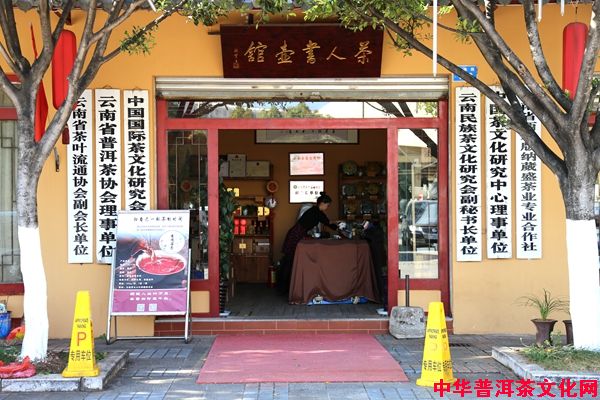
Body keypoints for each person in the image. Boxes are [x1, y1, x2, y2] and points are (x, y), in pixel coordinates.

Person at [277, 192, 338, 294]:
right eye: (327, 205)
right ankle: (283, 288)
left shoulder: (315, 211)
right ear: (322, 203)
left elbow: (328, 222)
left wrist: (336, 225)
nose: (327, 207)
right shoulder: (317, 212)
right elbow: (328, 223)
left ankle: (285, 288)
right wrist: (338, 227)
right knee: (289, 261)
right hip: (296, 235)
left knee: (289, 261)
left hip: (295, 233)